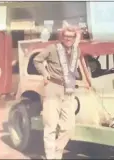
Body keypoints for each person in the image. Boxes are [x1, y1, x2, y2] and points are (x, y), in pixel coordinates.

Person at [33, 25, 81, 159]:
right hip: (53, 87)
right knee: (50, 125)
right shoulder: (52, 48)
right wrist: (45, 73)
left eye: (71, 37)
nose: (68, 39)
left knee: (69, 127)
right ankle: (51, 157)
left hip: (68, 90)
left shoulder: (77, 51)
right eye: (66, 36)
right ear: (62, 37)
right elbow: (37, 60)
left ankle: (57, 151)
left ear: (74, 38)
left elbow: (74, 67)